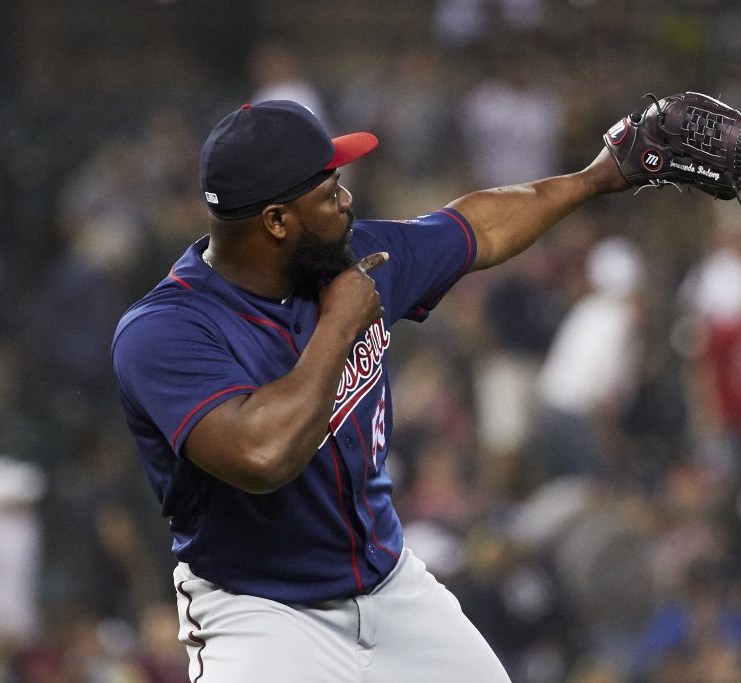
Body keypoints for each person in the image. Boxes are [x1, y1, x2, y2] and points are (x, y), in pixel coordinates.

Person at [111, 99, 629, 682]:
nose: (348, 203)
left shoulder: (352, 260)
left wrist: (602, 175)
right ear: (277, 221)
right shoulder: (164, 331)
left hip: (389, 584)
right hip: (262, 612)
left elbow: (477, 226)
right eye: (330, 194)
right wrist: (339, 323)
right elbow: (261, 454)